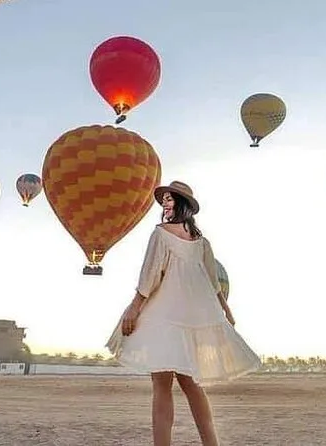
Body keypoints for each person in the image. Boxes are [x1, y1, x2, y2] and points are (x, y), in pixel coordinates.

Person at [106, 180, 262, 446]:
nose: (165, 203)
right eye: (164, 199)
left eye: (169, 199)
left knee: (162, 386)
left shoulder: (161, 234)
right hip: (192, 317)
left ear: (181, 204)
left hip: (163, 315)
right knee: (191, 384)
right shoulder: (202, 242)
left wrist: (133, 309)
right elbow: (213, 283)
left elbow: (150, 276)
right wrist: (226, 311)